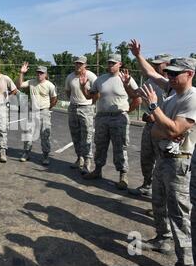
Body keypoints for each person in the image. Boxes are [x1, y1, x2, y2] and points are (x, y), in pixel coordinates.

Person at [130, 40, 195, 266]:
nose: (170, 76)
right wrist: (138, 55)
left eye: (176, 73)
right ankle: (162, 239)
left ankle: (186, 260)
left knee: (179, 214)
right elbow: (159, 132)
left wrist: (154, 108)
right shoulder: (172, 92)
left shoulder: (191, 97)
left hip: (179, 163)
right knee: (158, 203)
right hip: (164, 159)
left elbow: (174, 129)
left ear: (190, 74)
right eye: (169, 73)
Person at [80, 54, 142, 190]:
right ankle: (97, 170)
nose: (110, 65)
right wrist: (83, 86)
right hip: (102, 117)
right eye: (109, 63)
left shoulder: (126, 79)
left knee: (120, 146)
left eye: (113, 63)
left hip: (119, 117)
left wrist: (125, 112)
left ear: (120, 64)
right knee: (100, 145)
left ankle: (123, 175)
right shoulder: (100, 80)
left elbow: (137, 99)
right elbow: (90, 97)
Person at [129, 53, 173, 197]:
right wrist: (126, 84)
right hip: (150, 127)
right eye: (154, 64)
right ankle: (147, 185)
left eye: (158, 64)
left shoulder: (172, 85)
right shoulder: (151, 82)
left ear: (167, 65)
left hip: (164, 129)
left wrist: (154, 115)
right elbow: (135, 94)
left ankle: (161, 195)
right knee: (146, 158)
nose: (155, 66)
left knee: (163, 163)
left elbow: (173, 112)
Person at [16, 63, 57, 165]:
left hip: (44, 111)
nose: (39, 74)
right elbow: (19, 85)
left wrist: (47, 108)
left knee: (45, 135)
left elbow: (54, 98)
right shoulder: (31, 82)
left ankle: (46, 156)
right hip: (32, 111)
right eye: (38, 72)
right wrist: (21, 73)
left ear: (45, 74)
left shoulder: (49, 85)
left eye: (41, 73)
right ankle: (26, 153)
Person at [64, 56, 97, 174]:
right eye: (76, 63)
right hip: (73, 107)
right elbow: (68, 92)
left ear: (85, 65)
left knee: (87, 135)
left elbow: (97, 93)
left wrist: (90, 103)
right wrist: (74, 101)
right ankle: (80, 158)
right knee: (75, 135)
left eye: (80, 64)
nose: (78, 65)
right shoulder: (70, 77)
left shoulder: (91, 76)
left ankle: (87, 162)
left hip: (86, 108)